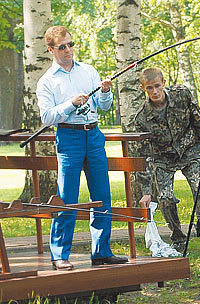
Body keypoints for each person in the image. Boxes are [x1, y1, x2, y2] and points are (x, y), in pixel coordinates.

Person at [36, 25, 128, 270]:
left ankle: (101, 251)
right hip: (69, 138)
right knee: (67, 198)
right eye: (62, 47)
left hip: (94, 135)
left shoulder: (88, 71)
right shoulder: (47, 81)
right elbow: (46, 117)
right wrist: (69, 104)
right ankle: (59, 255)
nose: (68, 50)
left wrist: (106, 92)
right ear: (51, 50)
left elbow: (104, 106)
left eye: (71, 44)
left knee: (102, 195)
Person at [127, 67, 200, 254]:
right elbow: (143, 155)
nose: (154, 92)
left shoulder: (182, 95)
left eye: (157, 86)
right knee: (165, 198)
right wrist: (146, 192)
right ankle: (178, 237)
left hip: (190, 151)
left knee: (199, 190)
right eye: (149, 88)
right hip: (163, 159)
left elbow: (199, 122)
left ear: (164, 83)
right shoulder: (141, 117)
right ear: (142, 88)